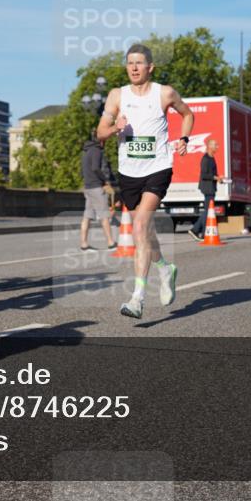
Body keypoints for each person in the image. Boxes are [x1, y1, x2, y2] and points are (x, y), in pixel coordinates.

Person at [97, 44, 194, 319]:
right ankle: (165, 267)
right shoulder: (117, 95)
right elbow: (100, 132)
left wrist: (184, 139)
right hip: (129, 172)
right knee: (145, 231)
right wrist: (116, 127)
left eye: (139, 63)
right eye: (130, 63)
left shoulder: (164, 93)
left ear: (150, 67)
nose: (134, 68)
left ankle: (137, 298)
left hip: (158, 167)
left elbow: (187, 114)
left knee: (139, 225)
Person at [80, 130, 117, 251]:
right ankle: (111, 243)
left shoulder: (85, 151)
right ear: (100, 139)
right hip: (96, 187)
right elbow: (96, 167)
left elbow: (82, 171)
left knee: (87, 216)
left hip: (88, 187)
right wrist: (105, 180)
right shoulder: (96, 150)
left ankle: (84, 244)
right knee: (104, 215)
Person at [188, 138, 219, 242]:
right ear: (209, 146)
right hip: (207, 188)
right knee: (208, 211)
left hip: (211, 187)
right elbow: (204, 175)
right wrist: (215, 178)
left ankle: (200, 232)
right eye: (215, 145)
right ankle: (196, 230)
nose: (217, 147)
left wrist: (219, 178)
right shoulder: (205, 159)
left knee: (208, 211)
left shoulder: (212, 158)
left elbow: (212, 174)